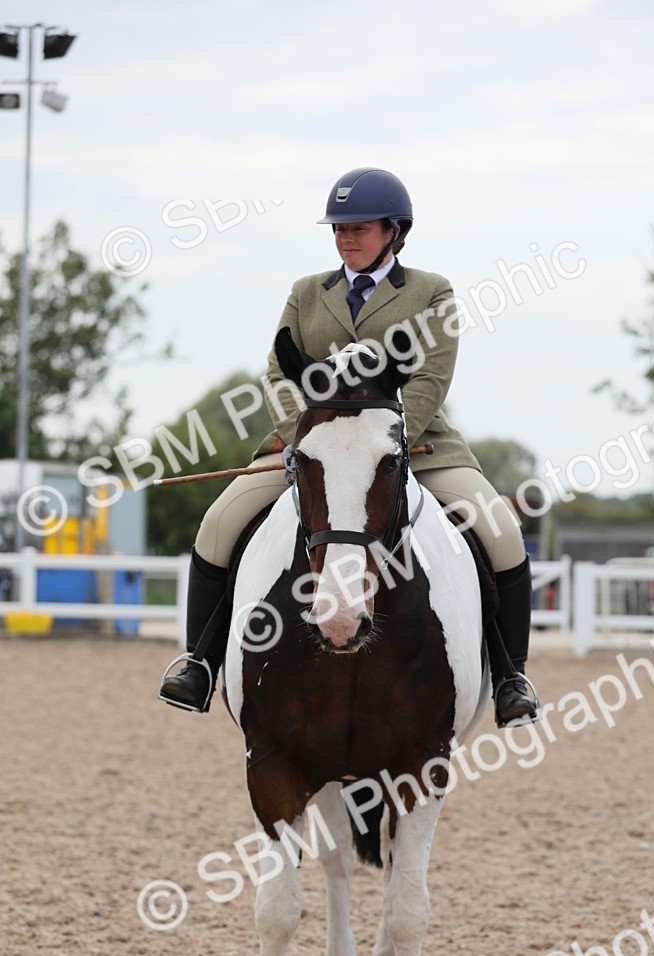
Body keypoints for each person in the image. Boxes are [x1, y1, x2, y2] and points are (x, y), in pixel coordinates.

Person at [158, 167, 540, 726]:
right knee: (218, 524)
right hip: (311, 446)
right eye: (338, 228)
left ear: (394, 231)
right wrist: (303, 436)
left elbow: (431, 377)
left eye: (358, 227)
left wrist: (387, 439)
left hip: (413, 445)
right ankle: (200, 664)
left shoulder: (432, 292)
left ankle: (511, 676)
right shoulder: (306, 292)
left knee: (502, 535)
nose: (345, 237)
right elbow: (276, 372)